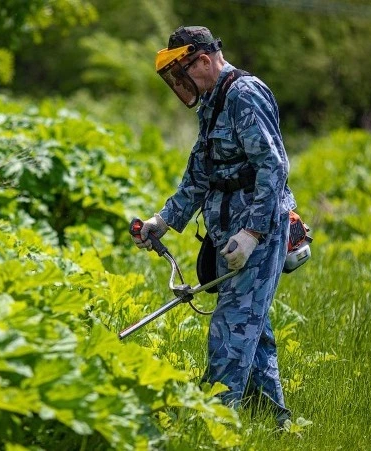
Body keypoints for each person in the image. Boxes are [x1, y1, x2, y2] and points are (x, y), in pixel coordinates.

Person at [131, 26, 296, 427]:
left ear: (203, 61)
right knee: (252, 328)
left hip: (257, 234)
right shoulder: (212, 102)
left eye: (182, 75)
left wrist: (252, 233)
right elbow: (200, 177)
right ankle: (275, 421)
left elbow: (273, 167)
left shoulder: (243, 95)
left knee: (230, 328)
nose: (180, 85)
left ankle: (214, 423)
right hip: (227, 236)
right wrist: (162, 221)